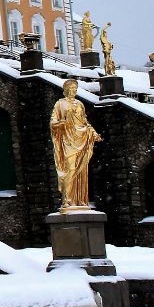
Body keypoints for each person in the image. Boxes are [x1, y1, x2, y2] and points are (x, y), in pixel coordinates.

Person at [49, 79, 102, 210]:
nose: (74, 90)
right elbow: (52, 123)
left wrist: (94, 133)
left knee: (81, 172)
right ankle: (67, 200)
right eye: (71, 88)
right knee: (70, 170)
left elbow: (85, 122)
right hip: (68, 142)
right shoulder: (60, 104)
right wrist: (64, 122)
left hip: (82, 139)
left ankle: (80, 200)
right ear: (66, 89)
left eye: (75, 88)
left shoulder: (79, 104)